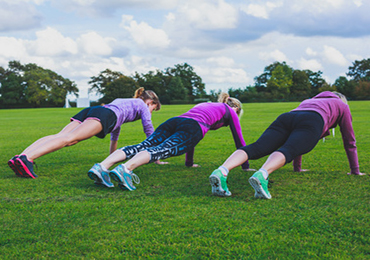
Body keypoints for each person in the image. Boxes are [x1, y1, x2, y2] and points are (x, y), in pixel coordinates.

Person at [209, 91, 365, 199]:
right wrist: (355, 171)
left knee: (257, 147)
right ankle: (262, 174)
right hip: (314, 120)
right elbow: (349, 141)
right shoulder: (342, 105)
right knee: (288, 149)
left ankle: (221, 170)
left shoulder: (309, 100)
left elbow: (297, 138)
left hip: (287, 117)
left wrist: (298, 168)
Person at [87, 92, 250, 190]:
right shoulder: (231, 111)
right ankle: (126, 169)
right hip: (192, 127)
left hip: (174, 121)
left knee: (143, 146)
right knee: (161, 150)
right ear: (236, 108)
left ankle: (102, 167)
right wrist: (245, 166)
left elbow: (191, 134)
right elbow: (239, 141)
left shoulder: (207, 104)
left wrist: (189, 163)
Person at [8, 87, 161, 181]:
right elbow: (148, 127)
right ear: (151, 103)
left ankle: (20, 157)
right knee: (69, 139)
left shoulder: (126, 102)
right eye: (153, 109)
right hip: (105, 115)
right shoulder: (141, 104)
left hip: (95, 110)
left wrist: (111, 159)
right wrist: (156, 155)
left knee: (60, 136)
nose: (151, 112)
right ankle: (27, 158)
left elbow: (114, 137)